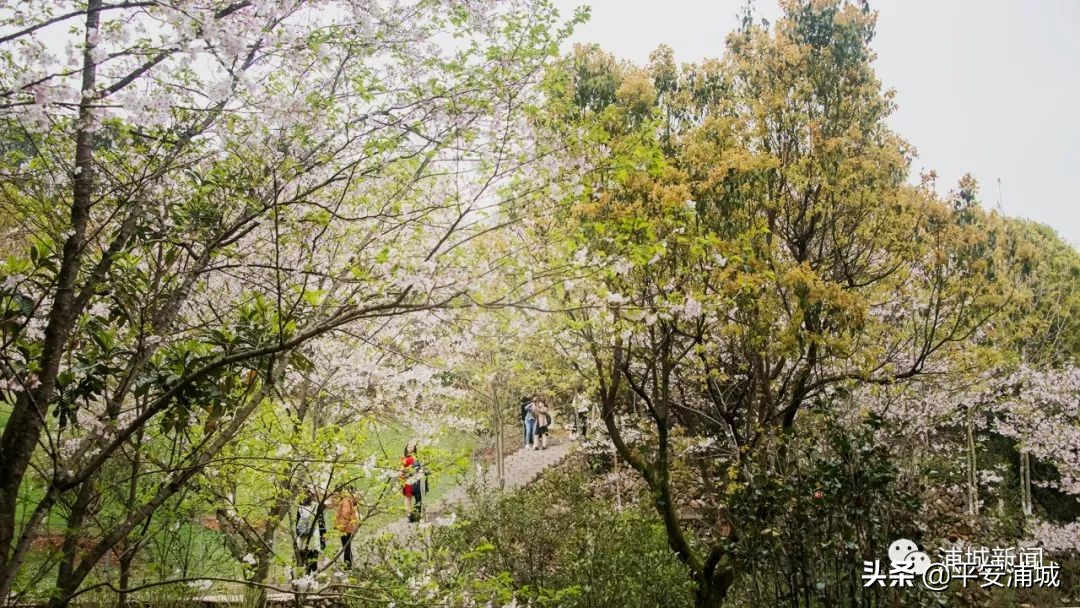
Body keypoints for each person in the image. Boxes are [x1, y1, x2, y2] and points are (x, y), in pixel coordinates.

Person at [296, 490, 327, 575]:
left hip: (302, 535)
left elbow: (298, 523)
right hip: (314, 534)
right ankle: (310, 573)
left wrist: (298, 534)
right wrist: (324, 535)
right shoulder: (317, 506)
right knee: (313, 553)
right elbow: (321, 522)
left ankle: (305, 573)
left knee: (304, 553)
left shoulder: (300, 507)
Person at [401, 440, 427, 522]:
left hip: (417, 480)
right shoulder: (404, 459)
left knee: (418, 497)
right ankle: (410, 515)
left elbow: (421, 468)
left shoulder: (417, 458)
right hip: (408, 480)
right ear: (406, 448)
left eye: (412, 447)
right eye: (408, 446)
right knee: (408, 498)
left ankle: (418, 514)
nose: (410, 448)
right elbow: (401, 470)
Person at [334, 490, 359, 569]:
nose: (336, 494)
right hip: (347, 527)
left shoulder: (345, 500)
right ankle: (348, 564)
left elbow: (345, 514)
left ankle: (348, 566)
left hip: (345, 528)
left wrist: (341, 527)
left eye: (337, 492)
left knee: (346, 547)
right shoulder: (346, 499)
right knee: (347, 547)